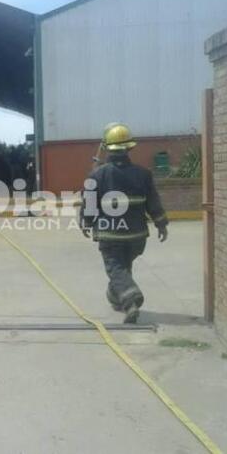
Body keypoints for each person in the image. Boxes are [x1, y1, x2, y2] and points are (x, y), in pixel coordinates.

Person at [80, 124, 168, 323]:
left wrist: (85, 222)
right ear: (129, 148)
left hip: (111, 235)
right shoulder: (143, 174)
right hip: (137, 237)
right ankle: (116, 296)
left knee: (116, 268)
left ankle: (130, 300)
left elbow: (90, 205)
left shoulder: (97, 175)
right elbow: (153, 201)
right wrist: (161, 224)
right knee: (123, 267)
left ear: (108, 149)